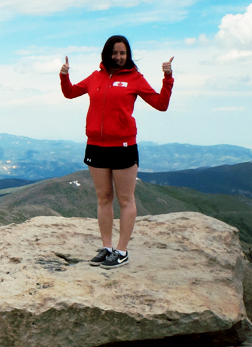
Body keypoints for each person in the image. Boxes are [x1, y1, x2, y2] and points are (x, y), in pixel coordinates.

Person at [60, 35, 173, 269]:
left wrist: (167, 77)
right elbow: (70, 93)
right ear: (106, 54)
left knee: (125, 199)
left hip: (123, 146)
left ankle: (122, 251)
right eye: (114, 53)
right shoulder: (95, 77)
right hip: (96, 145)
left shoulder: (135, 79)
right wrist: (64, 76)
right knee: (103, 198)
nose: (118, 57)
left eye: (122, 53)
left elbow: (161, 104)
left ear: (127, 55)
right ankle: (107, 248)